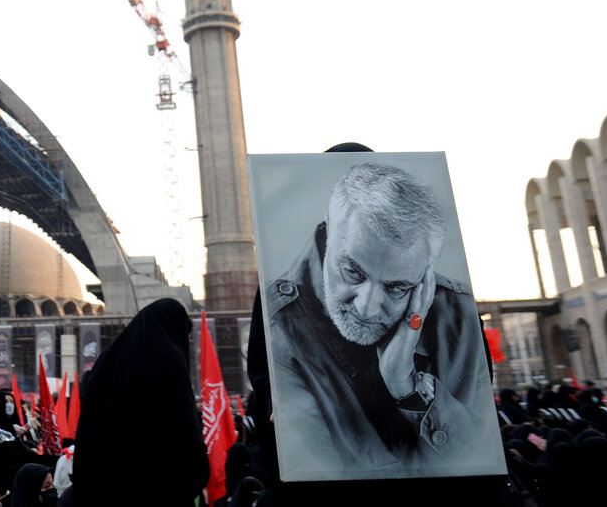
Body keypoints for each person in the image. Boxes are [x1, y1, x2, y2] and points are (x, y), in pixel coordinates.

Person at [264, 161, 501, 477]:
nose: (368, 309)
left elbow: (478, 459)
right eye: (352, 272)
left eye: (397, 287)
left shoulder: (456, 316)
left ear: (424, 274)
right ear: (327, 231)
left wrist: (408, 388)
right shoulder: (278, 322)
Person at [72, 298, 208, 506]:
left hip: (105, 485)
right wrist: (198, 471)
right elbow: (183, 426)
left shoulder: (108, 360)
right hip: (155, 487)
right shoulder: (170, 359)